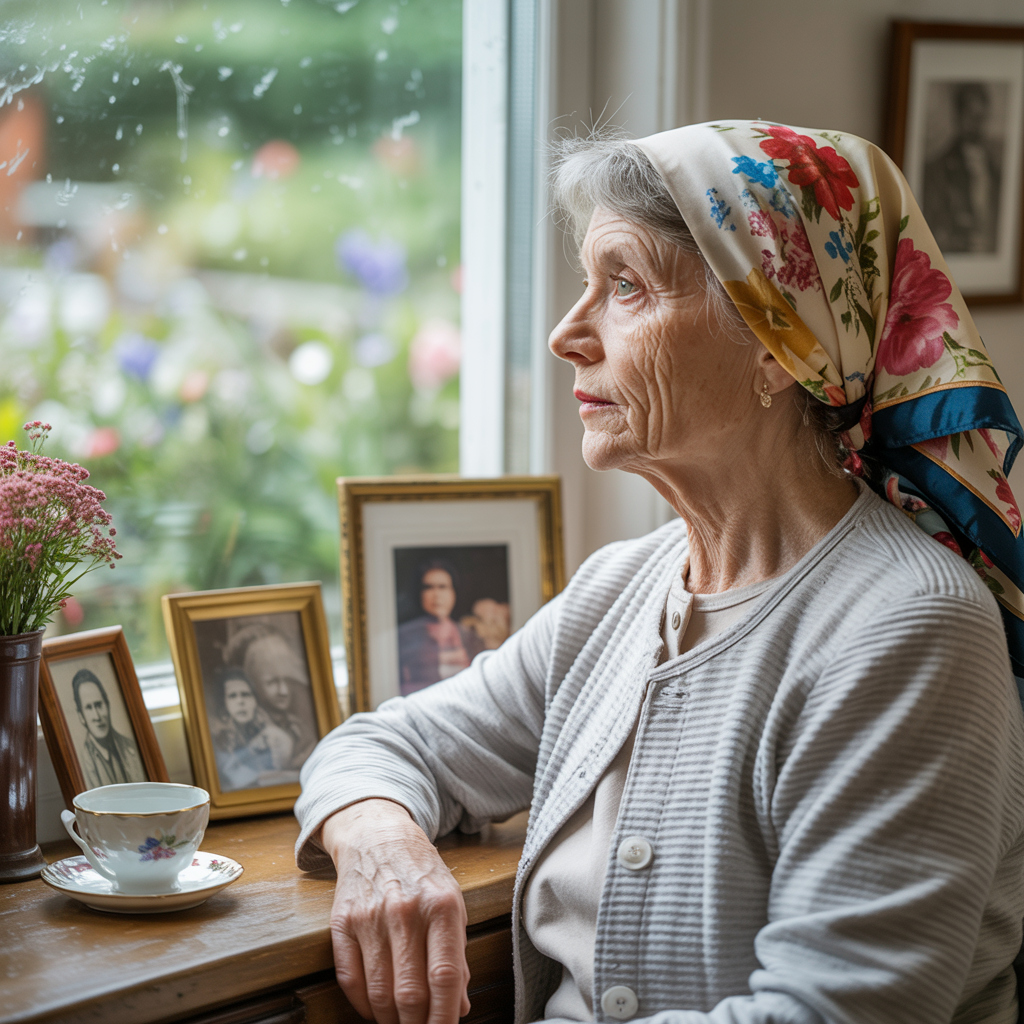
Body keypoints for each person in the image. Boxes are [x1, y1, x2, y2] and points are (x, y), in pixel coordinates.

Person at [294, 121, 1024, 1024]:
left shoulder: (910, 628)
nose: (569, 332)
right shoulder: (622, 588)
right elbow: (381, 745)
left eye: (626, 286)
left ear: (776, 344)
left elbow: (829, 1013)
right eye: (586, 285)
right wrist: (378, 839)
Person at [224, 622, 317, 770]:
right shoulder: (243, 734)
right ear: (252, 683)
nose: (284, 691)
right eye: (272, 682)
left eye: (286, 679)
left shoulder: (298, 726)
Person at [924, 82, 1003, 254]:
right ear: (959, 116)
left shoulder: (996, 171)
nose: (978, 125)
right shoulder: (936, 169)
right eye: (972, 116)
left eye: (981, 117)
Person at [396, 561, 485, 695]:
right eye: (429, 587)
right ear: (420, 593)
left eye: (442, 587)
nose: (436, 594)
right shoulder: (404, 637)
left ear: (453, 592)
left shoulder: (470, 635)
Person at [208, 666, 296, 791]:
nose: (240, 701)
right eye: (232, 696)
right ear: (225, 703)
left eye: (246, 695)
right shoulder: (219, 744)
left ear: (255, 700)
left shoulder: (275, 737)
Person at [72, 668, 145, 788]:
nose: (97, 716)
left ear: (108, 705)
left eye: (99, 705)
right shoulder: (81, 763)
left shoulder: (130, 747)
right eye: (89, 708)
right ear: (81, 716)